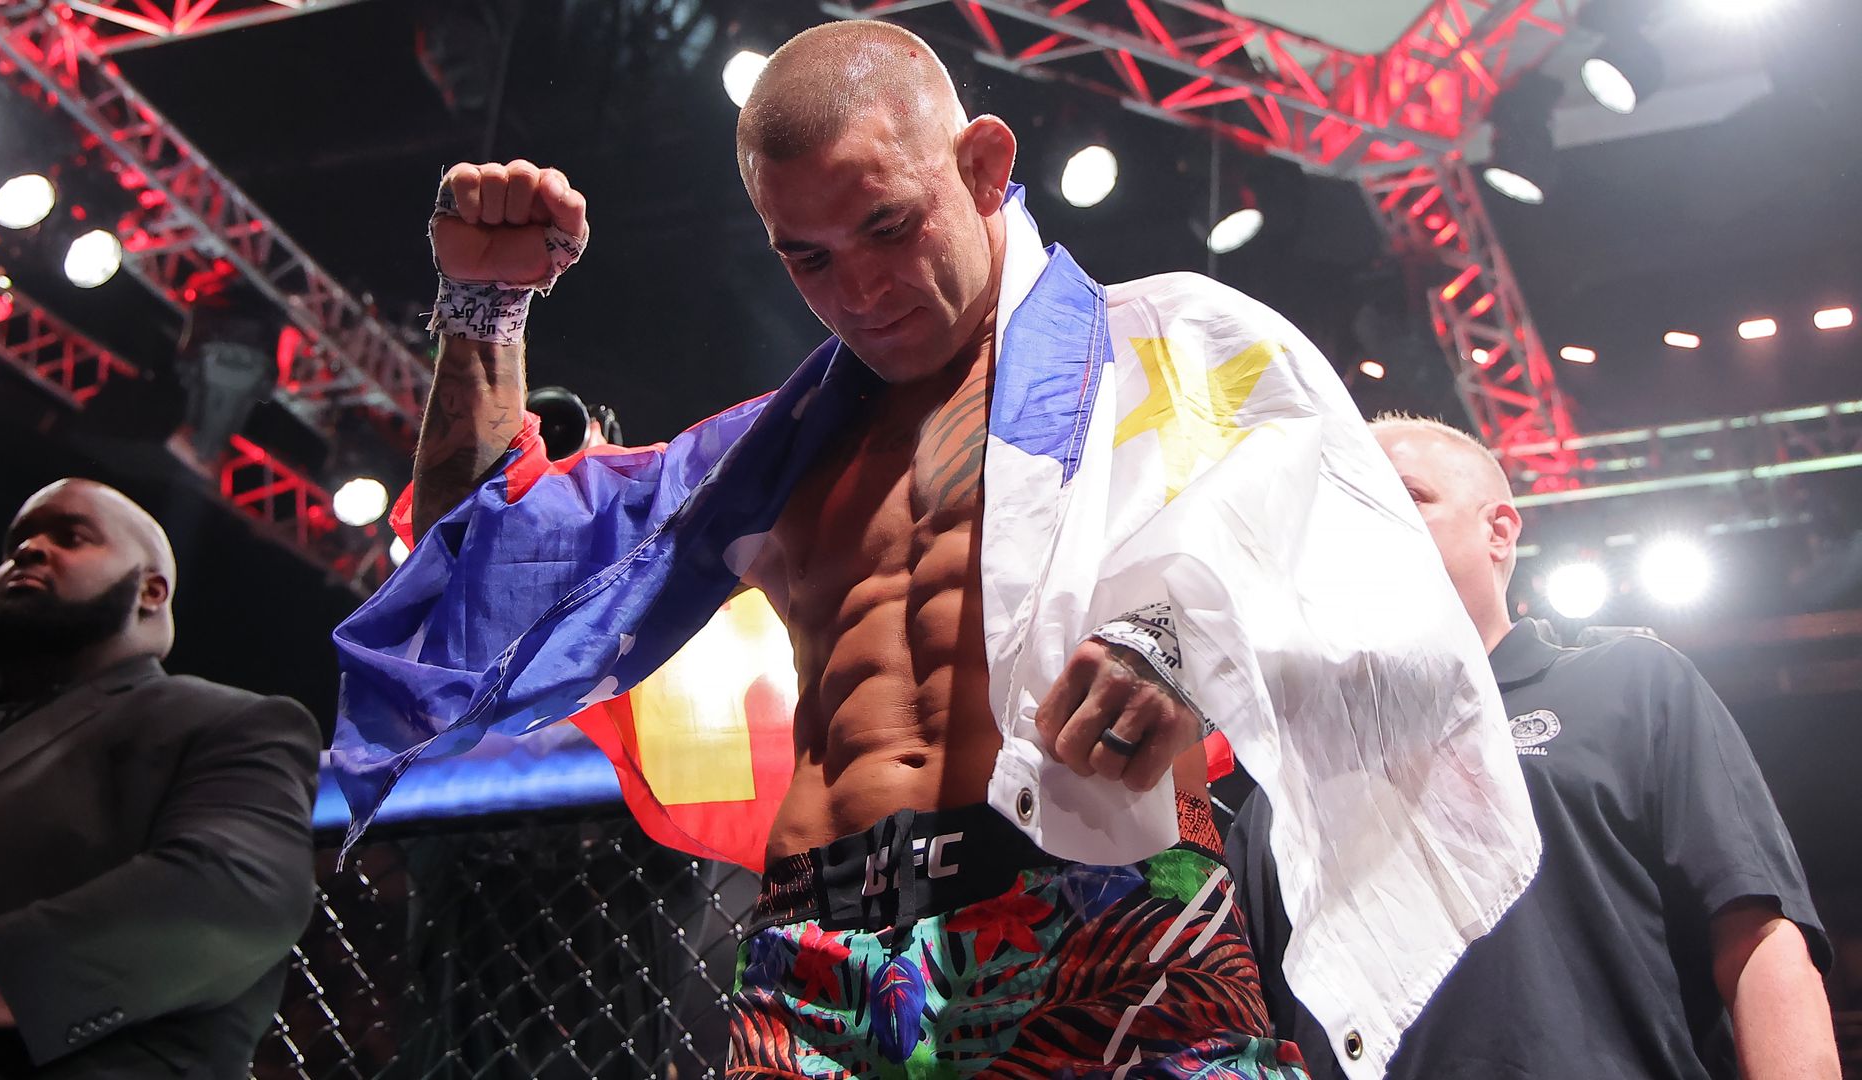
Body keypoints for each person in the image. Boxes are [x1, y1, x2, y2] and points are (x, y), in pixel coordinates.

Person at [332, 21, 1540, 1078]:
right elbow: (471, 569)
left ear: (982, 166)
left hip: (1095, 916)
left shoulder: (1163, 351)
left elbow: (1362, 560)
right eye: (807, 256)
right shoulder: (766, 457)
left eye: (888, 225)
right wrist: (482, 312)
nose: (859, 287)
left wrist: (1182, 635)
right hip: (817, 957)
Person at [1227, 415, 1840, 1080]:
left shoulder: (1629, 683)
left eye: (1405, 495)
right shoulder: (1286, 777)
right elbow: (1237, 1028)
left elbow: (1759, 939)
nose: (1361, 519)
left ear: (1497, 531)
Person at [0, 479, 322, 1079]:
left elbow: (228, 897)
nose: (30, 550)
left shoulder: (229, 723)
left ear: (150, 591)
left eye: (70, 537)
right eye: (19, 542)